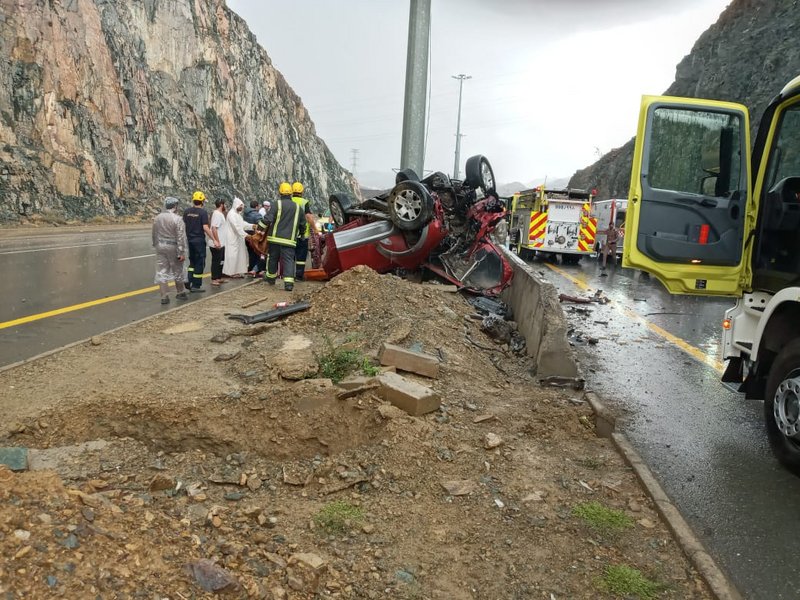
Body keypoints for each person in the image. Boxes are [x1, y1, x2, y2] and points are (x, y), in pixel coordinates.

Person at [264, 182, 302, 291]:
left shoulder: (276, 204)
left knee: (273, 259)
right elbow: (303, 224)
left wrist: (260, 228)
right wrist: (302, 234)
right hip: (289, 241)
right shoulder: (298, 207)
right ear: (291, 193)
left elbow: (268, 219)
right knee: (289, 261)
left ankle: (271, 279)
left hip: (275, 239)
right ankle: (288, 284)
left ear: (280, 193)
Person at [152, 197, 188, 305]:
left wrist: (156, 244)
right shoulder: (177, 219)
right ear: (175, 206)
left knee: (162, 271)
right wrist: (181, 252)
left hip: (160, 246)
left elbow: (154, 233)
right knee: (177, 270)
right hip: (173, 246)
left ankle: (164, 296)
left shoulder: (157, 218)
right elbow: (180, 237)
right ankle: (180, 292)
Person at [182, 190, 211, 292]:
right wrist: (214, 239)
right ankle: (196, 285)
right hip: (199, 241)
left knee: (192, 262)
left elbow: (183, 225)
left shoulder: (187, 212)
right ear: (202, 201)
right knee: (200, 263)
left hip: (189, 240)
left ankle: (188, 279)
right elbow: (205, 227)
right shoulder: (203, 213)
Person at [290, 182, 319, 280]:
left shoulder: (289, 201)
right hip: (302, 235)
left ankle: (288, 275)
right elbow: (309, 217)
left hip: (289, 234)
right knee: (301, 257)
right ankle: (299, 276)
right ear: (302, 192)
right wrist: (315, 229)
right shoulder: (304, 202)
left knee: (290, 256)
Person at [223, 197, 253, 278]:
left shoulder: (237, 214)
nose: (242, 208)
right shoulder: (231, 214)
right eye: (240, 206)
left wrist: (252, 226)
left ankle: (237, 272)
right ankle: (231, 272)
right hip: (232, 239)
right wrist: (246, 235)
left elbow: (242, 224)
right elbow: (236, 227)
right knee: (232, 256)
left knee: (239, 256)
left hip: (238, 238)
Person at [208, 198, 227, 286]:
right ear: (222, 205)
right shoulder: (217, 214)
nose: (225, 206)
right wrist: (217, 241)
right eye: (225, 204)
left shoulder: (220, 214)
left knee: (221, 261)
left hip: (222, 243)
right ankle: (214, 278)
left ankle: (219, 277)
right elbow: (214, 228)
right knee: (216, 261)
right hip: (216, 244)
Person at [243, 200, 262, 276]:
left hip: (247, 236)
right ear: (256, 206)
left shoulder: (245, 214)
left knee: (250, 253)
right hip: (255, 237)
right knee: (257, 254)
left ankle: (250, 268)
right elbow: (261, 225)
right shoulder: (257, 215)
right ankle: (255, 270)